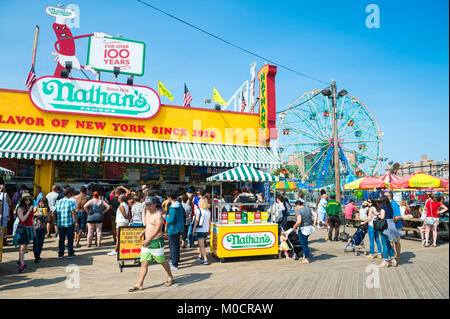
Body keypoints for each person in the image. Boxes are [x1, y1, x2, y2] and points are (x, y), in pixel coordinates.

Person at [128, 197, 174, 292]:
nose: (147, 207)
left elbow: (158, 228)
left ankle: (170, 276)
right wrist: (142, 233)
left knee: (162, 261)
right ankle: (139, 284)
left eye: (149, 205)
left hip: (156, 242)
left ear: (154, 204)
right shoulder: (147, 213)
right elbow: (149, 226)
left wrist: (149, 239)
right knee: (144, 263)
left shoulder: (158, 214)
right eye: (146, 205)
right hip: (147, 242)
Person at [378, 197, 403, 268]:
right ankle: (393, 260)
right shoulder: (390, 208)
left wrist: (376, 214)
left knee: (384, 244)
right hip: (391, 226)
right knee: (389, 243)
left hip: (385, 226)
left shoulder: (383, 207)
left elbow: (382, 217)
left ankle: (385, 261)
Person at [13, 193, 34, 273]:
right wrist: (29, 210)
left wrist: (34, 229)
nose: (28, 201)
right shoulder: (20, 208)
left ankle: (19, 261)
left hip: (28, 229)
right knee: (22, 248)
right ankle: (22, 266)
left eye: (29, 199)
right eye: (26, 199)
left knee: (24, 247)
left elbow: (31, 219)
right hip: (22, 229)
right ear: (23, 200)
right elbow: (22, 219)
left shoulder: (30, 207)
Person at [291, 200, 317, 264]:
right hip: (309, 228)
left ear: (297, 205)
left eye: (295, 206)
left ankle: (307, 258)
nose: (295, 208)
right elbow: (315, 214)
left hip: (303, 229)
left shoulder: (299, 211)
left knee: (304, 244)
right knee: (305, 243)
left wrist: (294, 226)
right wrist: (314, 223)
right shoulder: (308, 209)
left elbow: (299, 221)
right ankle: (304, 257)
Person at [55, 188, 78, 259]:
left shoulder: (58, 202)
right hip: (69, 223)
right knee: (70, 239)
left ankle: (60, 254)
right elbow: (73, 212)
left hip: (60, 223)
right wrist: (76, 222)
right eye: (70, 194)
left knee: (61, 239)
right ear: (68, 194)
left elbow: (54, 212)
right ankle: (70, 254)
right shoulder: (70, 202)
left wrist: (54, 222)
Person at [164, 191, 184, 270]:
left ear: (169, 197)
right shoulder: (179, 205)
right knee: (176, 246)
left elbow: (170, 220)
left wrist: (165, 216)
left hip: (172, 229)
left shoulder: (173, 208)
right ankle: (175, 260)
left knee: (173, 247)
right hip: (178, 228)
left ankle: (174, 263)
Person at [192, 198, 211, 265]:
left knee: (202, 245)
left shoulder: (198, 210)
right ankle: (200, 256)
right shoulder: (208, 211)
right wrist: (209, 230)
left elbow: (196, 221)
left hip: (199, 230)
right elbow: (209, 222)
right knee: (202, 244)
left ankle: (205, 259)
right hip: (206, 230)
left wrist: (193, 230)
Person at [387, 192, 403, 263]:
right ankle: (393, 255)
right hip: (391, 225)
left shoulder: (394, 204)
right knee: (391, 242)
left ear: (389, 197)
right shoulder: (390, 204)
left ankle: (397, 256)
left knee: (396, 242)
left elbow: (397, 217)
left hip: (395, 226)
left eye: (385, 196)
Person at [33, 197, 49, 263]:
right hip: (36, 227)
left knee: (41, 243)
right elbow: (31, 216)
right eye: (40, 202)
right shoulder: (36, 208)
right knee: (36, 243)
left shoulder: (47, 209)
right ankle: (36, 257)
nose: (41, 204)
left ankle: (38, 255)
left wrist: (46, 215)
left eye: (43, 203)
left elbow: (48, 219)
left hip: (43, 228)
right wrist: (36, 213)